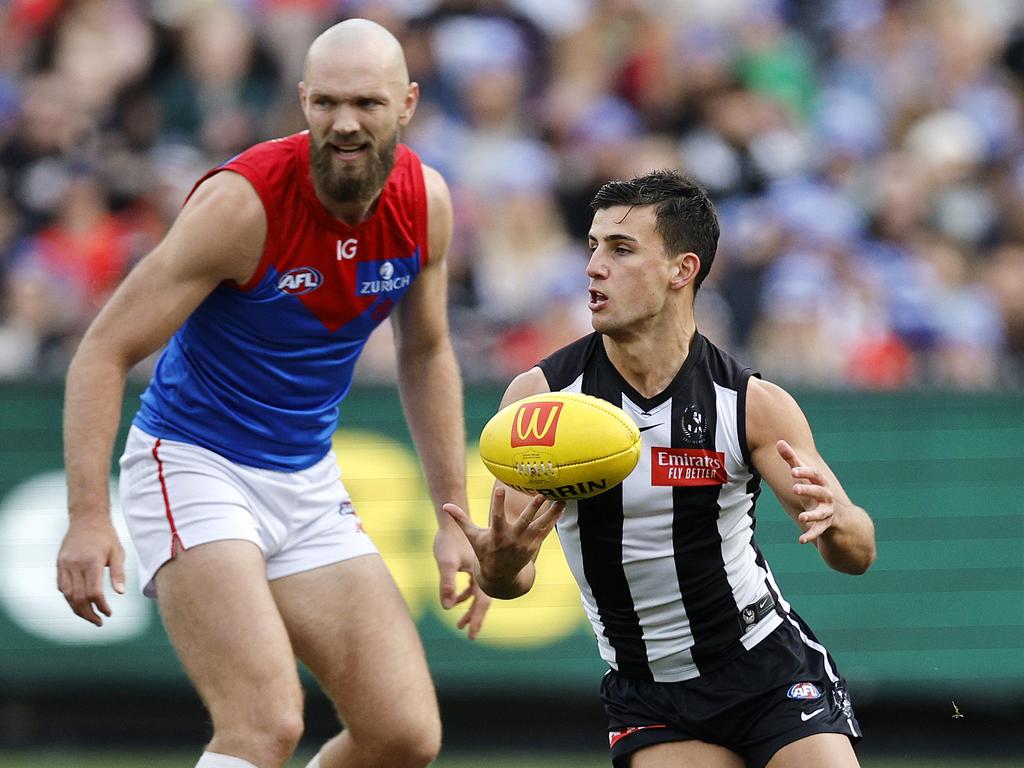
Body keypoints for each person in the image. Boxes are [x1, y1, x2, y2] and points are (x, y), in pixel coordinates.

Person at [56, 19, 491, 768]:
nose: (344, 122)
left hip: (305, 479)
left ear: (409, 103)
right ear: (301, 100)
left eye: (366, 103)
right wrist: (88, 516)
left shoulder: (427, 203)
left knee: (403, 736)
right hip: (193, 464)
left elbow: (425, 352)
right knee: (264, 725)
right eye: (324, 103)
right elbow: (103, 350)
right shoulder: (242, 204)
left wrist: (455, 516)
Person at [445, 170, 877, 768]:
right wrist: (500, 565)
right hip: (649, 690)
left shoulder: (750, 405)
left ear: (683, 270)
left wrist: (838, 519)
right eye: (592, 247)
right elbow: (510, 579)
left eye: (621, 250)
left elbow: (855, 554)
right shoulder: (543, 399)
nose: (595, 267)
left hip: (764, 665)